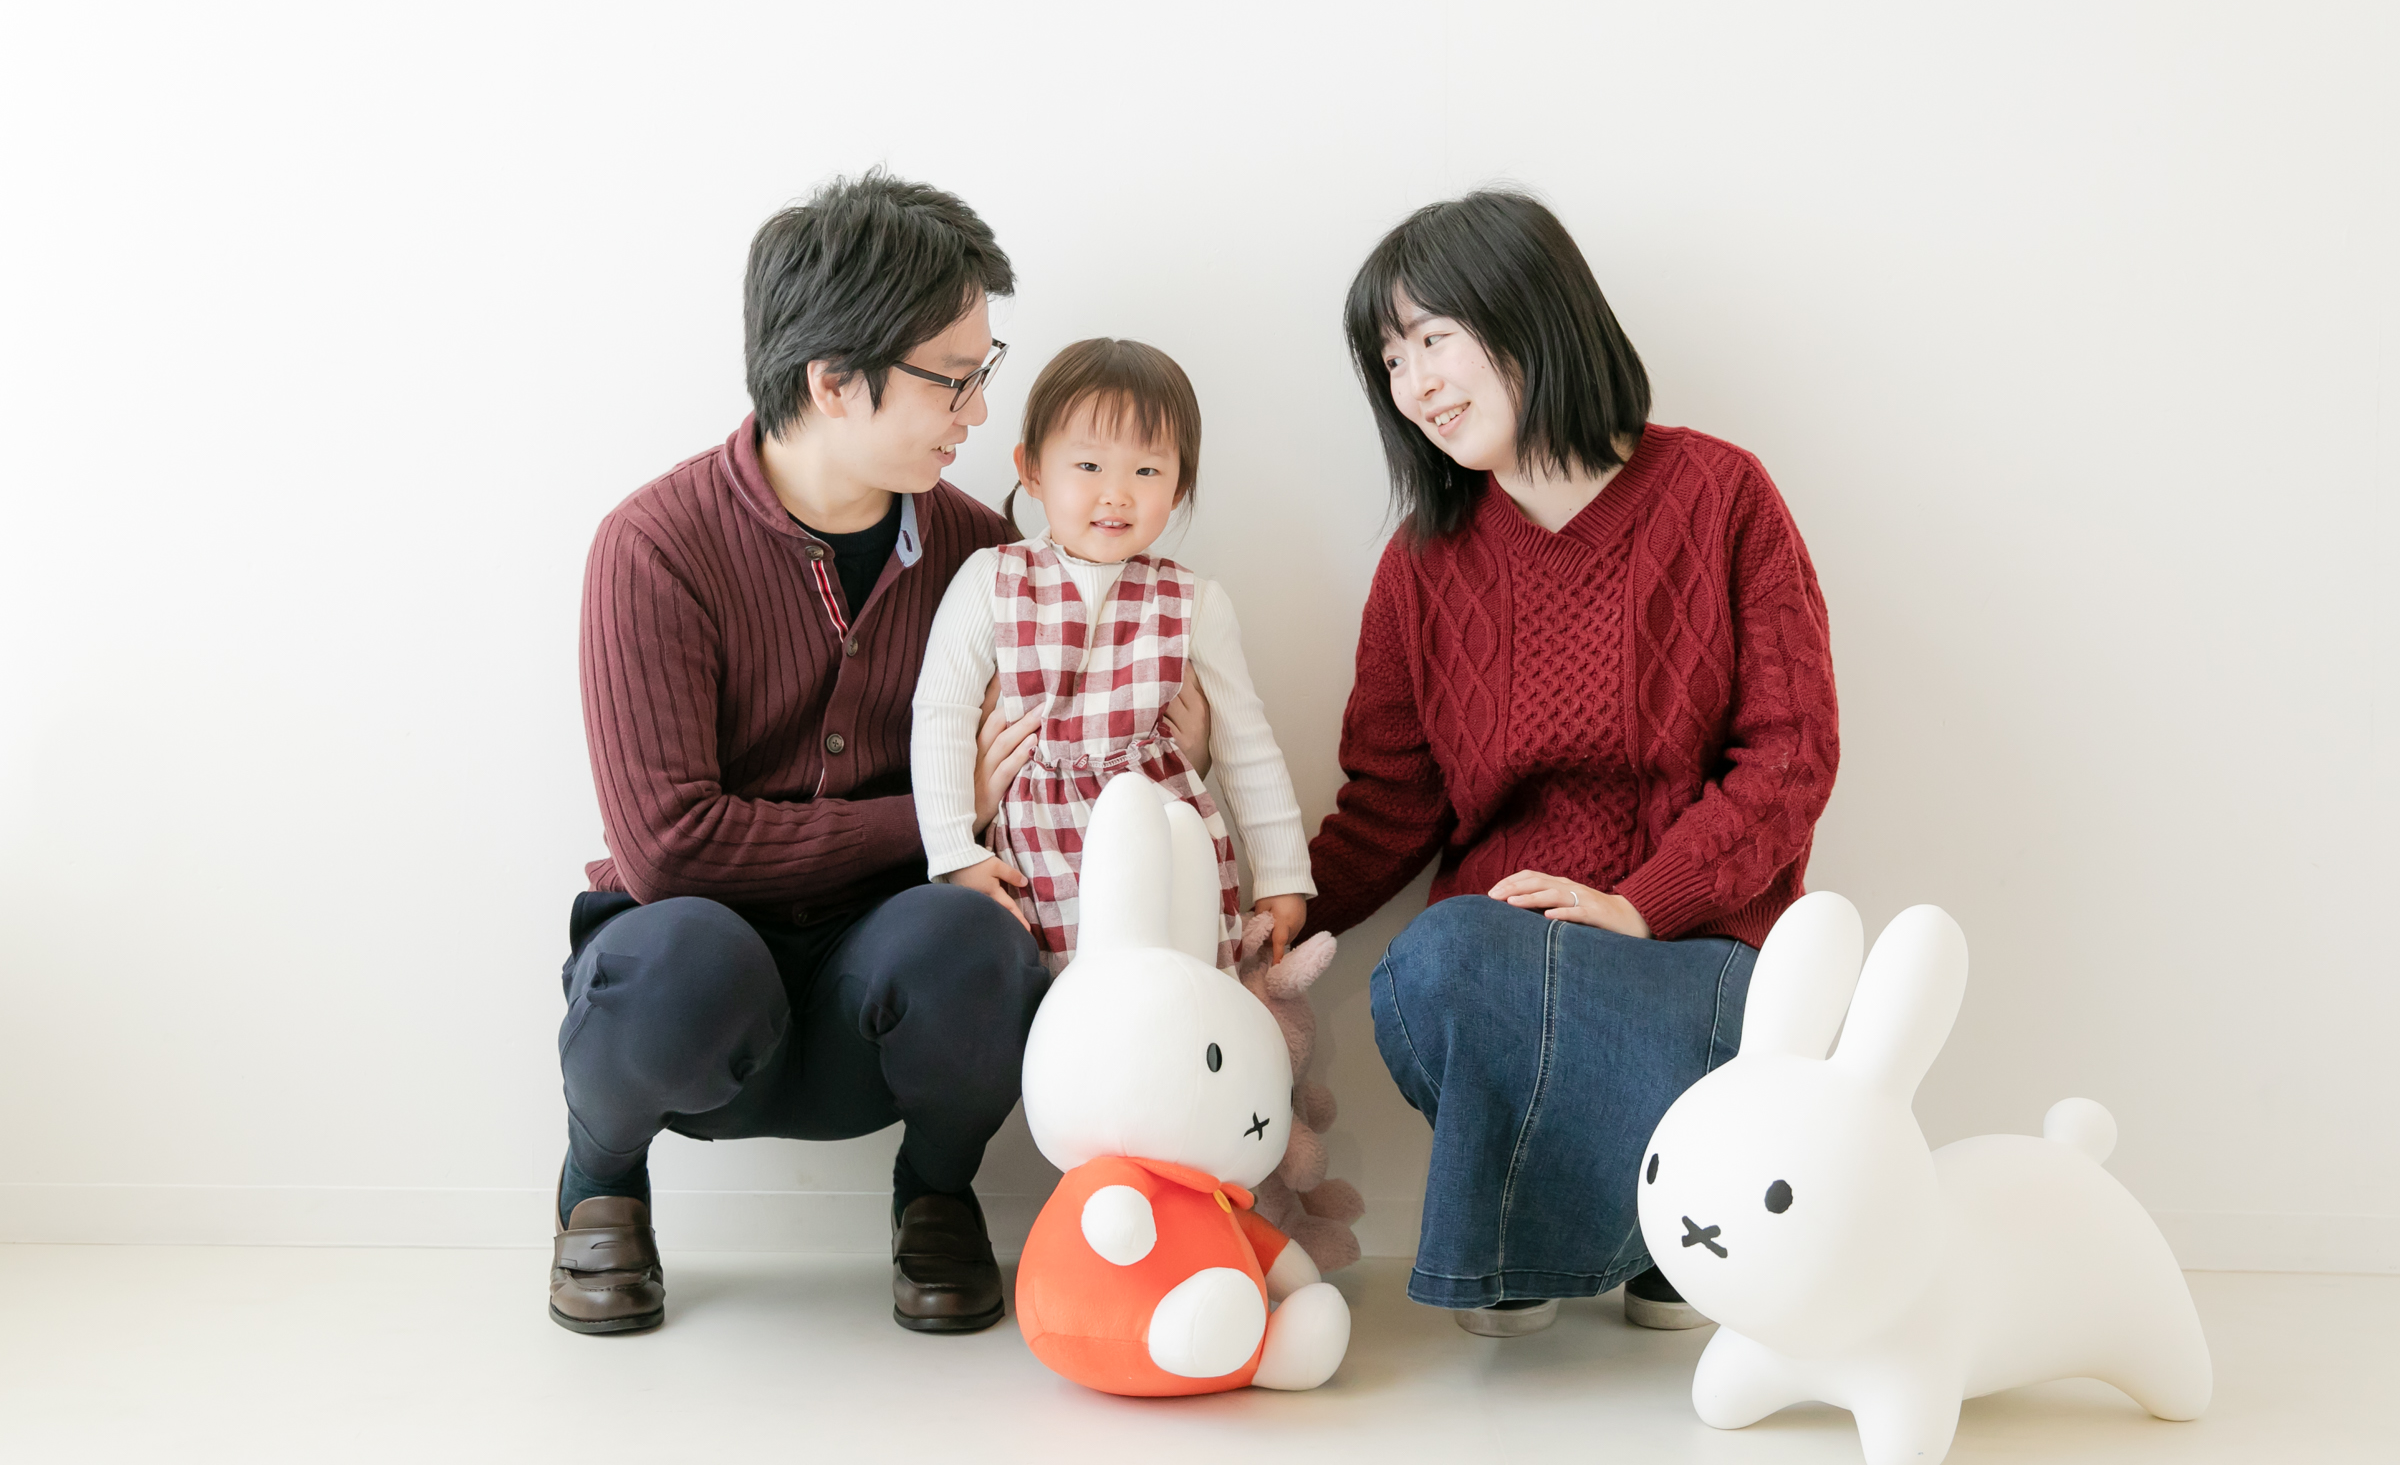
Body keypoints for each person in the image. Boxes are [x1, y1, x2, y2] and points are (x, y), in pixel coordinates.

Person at [552, 173, 1212, 1337]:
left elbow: (1044, 777)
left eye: (981, 369)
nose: (978, 410)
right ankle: (599, 1179)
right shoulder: (655, 547)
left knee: (979, 942)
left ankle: (936, 1192)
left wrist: (1174, 755)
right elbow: (669, 847)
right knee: (675, 964)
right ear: (831, 381)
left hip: (887, 970)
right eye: (951, 378)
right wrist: (931, 811)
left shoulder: (981, 553)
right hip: (705, 979)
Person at [1301, 190, 1839, 1337]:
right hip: (1503, 959)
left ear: (1531, 310)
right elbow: (1386, 810)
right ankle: (1607, 1237)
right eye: (1389, 360)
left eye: (1433, 337)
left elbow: (1792, 755)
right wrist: (1271, 916)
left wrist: (1641, 905)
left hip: (1696, 951)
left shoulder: (1721, 494)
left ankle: (1646, 1231)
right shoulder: (1421, 567)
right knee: (1441, 962)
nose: (1414, 383)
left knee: (1683, 1006)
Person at [911, 338, 1314, 971]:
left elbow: (1247, 743)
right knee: (1051, 1011)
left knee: (1174, 998)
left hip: (1166, 859)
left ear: (1179, 486)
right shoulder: (991, 580)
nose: (1117, 493)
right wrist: (954, 851)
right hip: (1033, 860)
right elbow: (942, 716)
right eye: (1089, 466)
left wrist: (1283, 873)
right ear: (1032, 470)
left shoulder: (1194, 601)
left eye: (1147, 471)